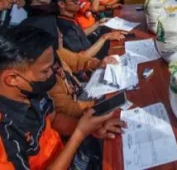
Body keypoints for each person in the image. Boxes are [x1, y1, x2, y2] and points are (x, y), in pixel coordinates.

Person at [0, 25, 125, 169]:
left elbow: (55, 119)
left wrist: (93, 128)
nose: (52, 74)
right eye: (45, 71)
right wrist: (79, 133)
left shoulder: (31, 91)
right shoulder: (5, 134)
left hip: (68, 152)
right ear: (12, 78)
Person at [21, 16, 118, 117]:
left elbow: (78, 60)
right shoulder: (44, 76)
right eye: (57, 33)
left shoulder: (55, 51)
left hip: (81, 88)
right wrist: (98, 103)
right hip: (79, 105)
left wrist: (98, 64)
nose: (61, 35)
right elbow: (70, 109)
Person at [56, 0, 125, 59]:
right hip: (89, 60)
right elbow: (81, 58)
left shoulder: (70, 17)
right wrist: (105, 37)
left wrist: (98, 23)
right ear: (62, 4)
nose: (79, 3)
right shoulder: (65, 28)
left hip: (90, 48)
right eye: (75, 0)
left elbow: (80, 35)